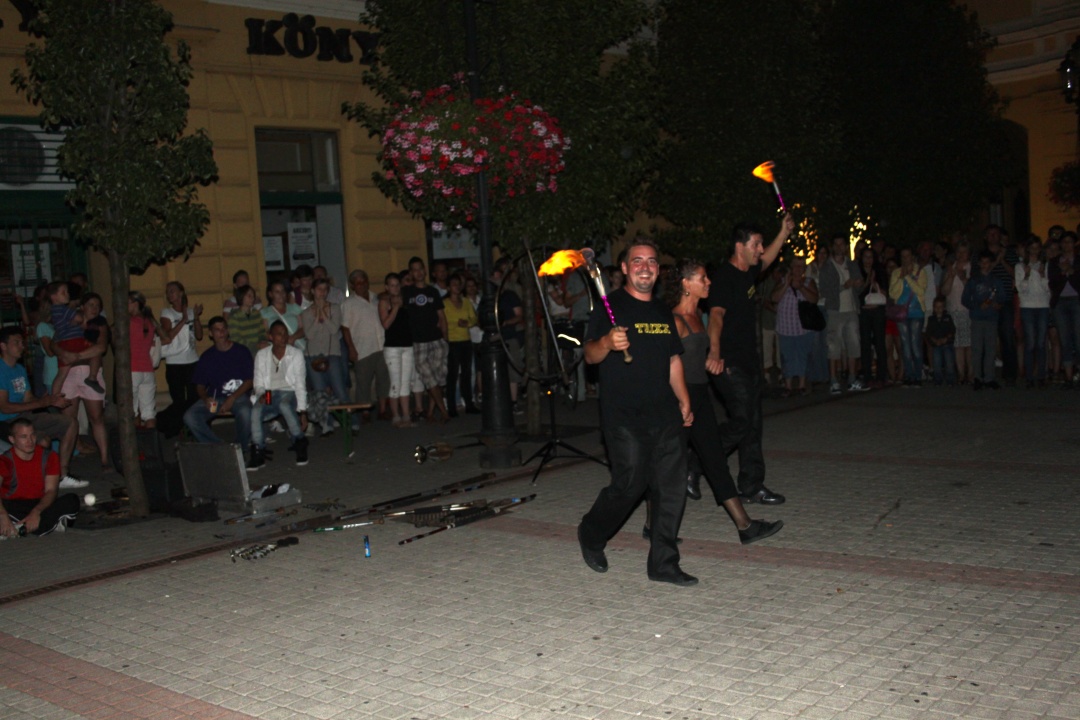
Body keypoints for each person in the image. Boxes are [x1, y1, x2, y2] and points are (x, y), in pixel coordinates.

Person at [576, 238, 697, 586]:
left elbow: (672, 359)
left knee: (671, 488)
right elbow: (590, 356)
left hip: (665, 413)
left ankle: (663, 563)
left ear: (658, 270)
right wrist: (606, 343)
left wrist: (684, 398)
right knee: (630, 484)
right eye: (638, 261)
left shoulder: (662, 311)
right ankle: (591, 531)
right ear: (626, 268)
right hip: (624, 416)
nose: (645, 267)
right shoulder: (609, 306)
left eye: (652, 261)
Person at [667, 259, 784, 544]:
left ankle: (745, 526)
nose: (709, 282)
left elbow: (693, 358)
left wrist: (711, 361)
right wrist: (681, 401)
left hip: (700, 396)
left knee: (716, 462)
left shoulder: (698, 315)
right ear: (686, 284)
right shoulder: (674, 320)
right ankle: (654, 526)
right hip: (679, 399)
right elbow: (666, 365)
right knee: (665, 465)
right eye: (703, 278)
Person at [705, 213, 796, 505]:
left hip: (748, 360)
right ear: (739, 246)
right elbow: (715, 317)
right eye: (756, 244)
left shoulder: (748, 271)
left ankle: (751, 485)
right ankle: (696, 461)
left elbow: (767, 259)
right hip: (728, 362)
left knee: (752, 424)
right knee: (743, 421)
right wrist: (714, 352)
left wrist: (783, 232)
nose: (760, 249)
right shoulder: (724, 278)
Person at [0, 328, 82, 489]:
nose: (22, 346)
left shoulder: (19, 369)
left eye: (22, 342)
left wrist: (49, 400)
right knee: (42, 440)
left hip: (23, 417)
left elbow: (28, 399)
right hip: (5, 422)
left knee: (70, 422)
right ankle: (36, 481)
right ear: (3, 346)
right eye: (16, 342)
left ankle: (62, 475)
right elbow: (5, 408)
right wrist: (43, 403)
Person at [55, 294, 110, 473]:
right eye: (90, 304)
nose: (94, 308)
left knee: (96, 418)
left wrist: (77, 356)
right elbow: (54, 343)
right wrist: (64, 353)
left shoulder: (100, 324)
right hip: (69, 373)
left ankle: (105, 459)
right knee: (68, 421)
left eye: (97, 305)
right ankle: (64, 466)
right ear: (82, 307)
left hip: (89, 371)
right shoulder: (71, 322)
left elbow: (101, 347)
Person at [0, 418, 79, 537]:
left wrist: (36, 512)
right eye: (23, 437)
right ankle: (45, 524)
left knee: (72, 500)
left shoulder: (49, 457)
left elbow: (51, 491)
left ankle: (22, 526)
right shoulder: (5, 461)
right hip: (12, 504)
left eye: (32, 435)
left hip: (39, 504)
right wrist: (2, 515)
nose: (30, 441)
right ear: (12, 439)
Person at [183, 316, 255, 446]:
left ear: (227, 331)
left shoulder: (241, 351)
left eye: (223, 329)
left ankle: (241, 447)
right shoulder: (207, 356)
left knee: (245, 412)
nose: (221, 332)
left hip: (238, 395)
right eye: (217, 330)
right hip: (215, 398)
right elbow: (200, 385)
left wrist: (232, 398)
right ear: (211, 333)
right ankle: (218, 446)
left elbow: (249, 381)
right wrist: (206, 399)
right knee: (190, 416)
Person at [248, 321, 309, 470]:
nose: (283, 337)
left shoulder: (295, 354)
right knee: (256, 410)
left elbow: (300, 383)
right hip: (269, 392)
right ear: (270, 336)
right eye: (279, 334)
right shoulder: (262, 355)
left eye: (285, 333)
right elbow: (258, 381)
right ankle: (258, 450)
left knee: (284, 405)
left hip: (289, 391)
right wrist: (262, 394)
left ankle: (299, 441)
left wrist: (303, 411)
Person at [402, 257, 450, 423]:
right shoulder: (407, 292)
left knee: (438, 379)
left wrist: (445, 337)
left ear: (425, 270)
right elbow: (388, 297)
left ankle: (430, 412)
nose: (418, 272)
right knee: (429, 378)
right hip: (419, 342)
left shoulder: (432, 292)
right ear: (411, 273)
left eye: (420, 268)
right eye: (414, 270)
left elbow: (441, 316)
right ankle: (443, 411)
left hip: (437, 340)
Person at [818, 234, 866, 393]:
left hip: (851, 309)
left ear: (846, 246)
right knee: (834, 346)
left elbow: (860, 287)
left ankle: (852, 378)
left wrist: (858, 284)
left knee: (854, 344)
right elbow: (825, 291)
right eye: (836, 244)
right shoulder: (827, 267)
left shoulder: (852, 264)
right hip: (835, 311)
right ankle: (833, 380)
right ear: (833, 247)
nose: (839, 247)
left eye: (842, 244)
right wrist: (844, 286)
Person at [341, 269, 390, 422]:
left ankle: (383, 410)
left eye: (364, 281)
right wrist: (351, 348)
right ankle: (365, 412)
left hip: (381, 345)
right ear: (352, 286)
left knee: (383, 380)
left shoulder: (377, 298)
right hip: (362, 348)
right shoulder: (348, 304)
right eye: (358, 283)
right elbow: (345, 328)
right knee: (363, 383)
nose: (361, 285)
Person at [299, 278, 349, 413]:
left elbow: (334, 329)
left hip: (332, 354)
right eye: (319, 289)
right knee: (320, 393)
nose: (322, 292)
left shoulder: (335, 308)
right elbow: (309, 335)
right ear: (313, 291)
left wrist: (324, 314)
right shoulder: (306, 313)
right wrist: (317, 317)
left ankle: (350, 420)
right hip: (313, 355)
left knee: (339, 390)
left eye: (325, 289)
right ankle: (327, 421)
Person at [47, 281, 104, 396]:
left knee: (62, 373)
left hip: (63, 342)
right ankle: (92, 378)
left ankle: (54, 396)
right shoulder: (63, 309)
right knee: (95, 351)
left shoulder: (54, 311)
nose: (67, 294)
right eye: (63, 292)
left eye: (67, 292)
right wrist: (80, 319)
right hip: (73, 341)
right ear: (54, 297)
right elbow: (78, 318)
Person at [772, 258, 818, 396]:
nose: (798, 269)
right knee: (787, 356)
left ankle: (802, 385)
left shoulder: (809, 282)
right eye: (796, 266)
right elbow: (774, 298)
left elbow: (814, 299)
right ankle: (788, 385)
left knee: (803, 355)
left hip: (803, 327)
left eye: (801, 266)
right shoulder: (782, 281)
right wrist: (787, 284)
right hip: (785, 327)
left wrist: (801, 287)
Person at [962, 251, 1006, 390]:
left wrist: (998, 304)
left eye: (988, 262)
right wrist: (977, 305)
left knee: (990, 349)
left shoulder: (996, 280)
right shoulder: (974, 280)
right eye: (983, 262)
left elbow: (1003, 297)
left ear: (991, 264)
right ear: (979, 264)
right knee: (977, 349)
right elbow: (965, 299)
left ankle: (989, 378)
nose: (985, 265)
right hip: (977, 318)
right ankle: (977, 377)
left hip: (992, 318)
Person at [159, 281, 204, 416]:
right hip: (174, 362)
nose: (169, 294)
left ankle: (191, 425)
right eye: (167, 292)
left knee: (193, 398)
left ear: (181, 293)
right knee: (178, 400)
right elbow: (168, 336)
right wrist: (184, 320)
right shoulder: (167, 312)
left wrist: (196, 317)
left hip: (192, 361)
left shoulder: (190, 311)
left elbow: (199, 336)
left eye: (172, 291)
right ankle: (167, 421)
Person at [128, 292, 169, 429]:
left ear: (135, 303)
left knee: (132, 411)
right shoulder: (149, 322)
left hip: (133, 369)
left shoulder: (130, 322)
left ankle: (135, 441)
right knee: (149, 412)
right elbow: (166, 339)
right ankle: (151, 440)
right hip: (148, 370)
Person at [888, 247, 929, 387]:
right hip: (901, 313)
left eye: (908, 256)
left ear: (912, 257)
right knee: (905, 345)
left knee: (915, 344)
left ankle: (918, 375)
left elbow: (921, 291)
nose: (905, 259)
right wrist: (901, 278)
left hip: (916, 313)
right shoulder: (896, 272)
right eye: (903, 256)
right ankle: (909, 375)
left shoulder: (920, 272)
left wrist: (907, 278)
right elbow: (893, 293)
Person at [380, 272, 415, 427]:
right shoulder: (384, 302)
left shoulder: (406, 300)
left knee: (405, 383)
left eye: (397, 285)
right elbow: (386, 324)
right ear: (387, 287)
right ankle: (396, 416)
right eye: (392, 285)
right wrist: (395, 307)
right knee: (395, 383)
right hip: (392, 348)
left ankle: (406, 416)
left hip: (407, 346)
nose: (395, 288)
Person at [985, 226, 1019, 384]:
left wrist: (1003, 260)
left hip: (1005, 301)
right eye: (990, 234)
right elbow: (980, 274)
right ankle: (987, 373)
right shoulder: (981, 254)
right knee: (987, 338)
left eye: (996, 234)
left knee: (1007, 337)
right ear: (985, 237)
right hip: (987, 302)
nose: (993, 236)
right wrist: (996, 261)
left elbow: (1016, 274)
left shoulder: (1010, 253)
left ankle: (1010, 373)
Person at [443, 272, 479, 417]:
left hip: (465, 341)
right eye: (453, 285)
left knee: (466, 373)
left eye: (458, 284)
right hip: (452, 342)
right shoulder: (444, 303)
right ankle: (452, 406)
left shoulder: (466, 302)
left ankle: (469, 403)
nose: (456, 287)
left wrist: (467, 323)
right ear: (448, 288)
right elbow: (441, 321)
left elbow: (474, 318)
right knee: (452, 375)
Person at [1016, 238, 1050, 388]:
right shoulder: (1020, 266)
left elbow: (1047, 289)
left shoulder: (1045, 265)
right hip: (1027, 306)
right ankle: (1029, 377)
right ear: (1028, 249)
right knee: (1030, 342)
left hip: (1043, 306)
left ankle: (1041, 376)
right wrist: (1027, 275)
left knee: (1041, 342)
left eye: (1037, 248)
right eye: (1032, 248)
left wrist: (1042, 275)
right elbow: (1020, 289)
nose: (1035, 251)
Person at [1049, 231, 1080, 387]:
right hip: (1060, 302)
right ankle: (1068, 377)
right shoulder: (1054, 262)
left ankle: (1077, 373)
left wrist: (1071, 271)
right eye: (1064, 242)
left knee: (1078, 339)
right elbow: (1052, 283)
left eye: (1070, 242)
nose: (1067, 245)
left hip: (1076, 300)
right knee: (1064, 339)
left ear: (1074, 244)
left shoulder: (1079, 260)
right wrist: (1062, 272)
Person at [856, 247, 889, 387]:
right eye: (865, 257)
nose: (868, 260)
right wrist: (867, 281)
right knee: (865, 344)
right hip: (864, 312)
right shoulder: (858, 272)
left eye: (870, 257)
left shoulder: (880, 272)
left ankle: (881, 375)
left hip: (877, 311)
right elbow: (857, 293)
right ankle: (867, 375)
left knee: (879, 343)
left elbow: (885, 294)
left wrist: (875, 284)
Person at [941, 243, 973, 384]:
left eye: (964, 252)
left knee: (969, 344)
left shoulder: (972, 268)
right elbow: (944, 291)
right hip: (953, 310)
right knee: (958, 344)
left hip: (968, 311)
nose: (961, 255)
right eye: (959, 252)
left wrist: (964, 278)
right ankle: (961, 374)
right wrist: (951, 276)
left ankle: (970, 373)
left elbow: (973, 290)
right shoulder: (950, 268)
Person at [924, 297, 956, 385]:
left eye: (940, 307)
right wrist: (934, 340)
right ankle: (938, 379)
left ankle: (950, 380)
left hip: (947, 343)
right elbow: (928, 332)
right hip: (936, 345)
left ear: (944, 308)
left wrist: (946, 339)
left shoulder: (948, 318)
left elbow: (952, 330)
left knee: (949, 362)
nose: (938, 309)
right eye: (936, 307)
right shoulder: (931, 319)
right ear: (934, 308)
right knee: (936, 363)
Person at [227, 285, 266, 356]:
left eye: (253, 296)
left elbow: (262, 332)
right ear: (241, 297)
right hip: (242, 352)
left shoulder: (256, 314)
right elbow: (235, 339)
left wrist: (263, 342)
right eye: (249, 296)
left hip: (258, 352)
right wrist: (255, 345)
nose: (252, 298)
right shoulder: (235, 316)